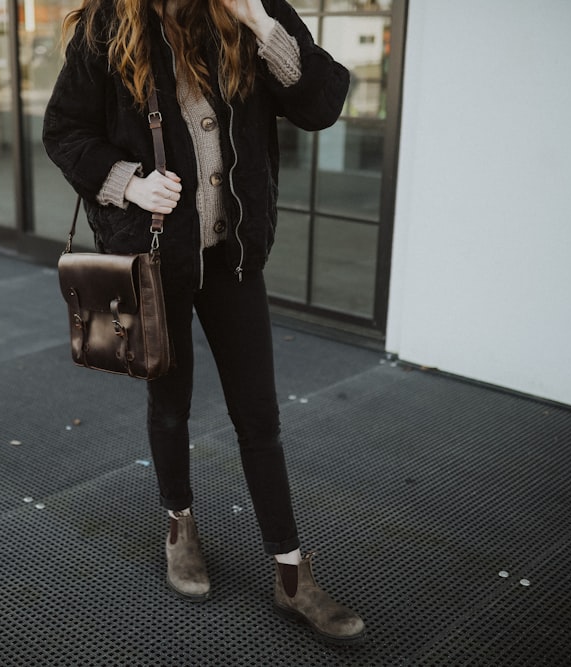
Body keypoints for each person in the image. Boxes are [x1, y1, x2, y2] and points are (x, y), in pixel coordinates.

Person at [43, 0, 364, 645]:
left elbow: (321, 105)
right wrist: (127, 183)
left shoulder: (250, 13)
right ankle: (179, 527)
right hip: (159, 257)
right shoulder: (110, 24)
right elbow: (64, 130)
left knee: (259, 415)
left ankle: (291, 574)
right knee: (171, 401)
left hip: (235, 254)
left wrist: (264, 26)